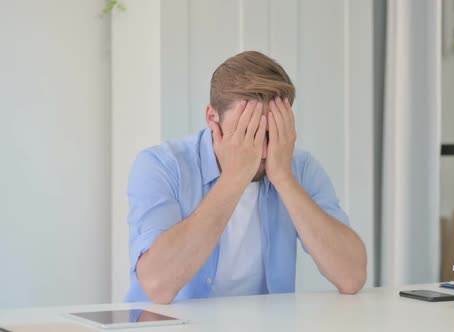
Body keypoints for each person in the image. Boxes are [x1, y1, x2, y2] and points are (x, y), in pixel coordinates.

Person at [125, 51, 367, 304]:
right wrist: (234, 178)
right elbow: (157, 285)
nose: (261, 150)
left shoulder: (300, 167)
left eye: (272, 133)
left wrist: (284, 178)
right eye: (247, 133)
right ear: (212, 117)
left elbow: (351, 277)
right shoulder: (160, 166)